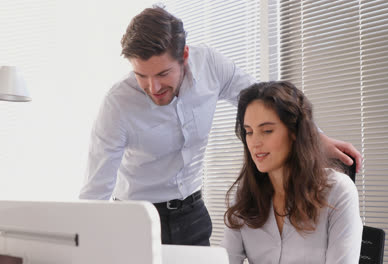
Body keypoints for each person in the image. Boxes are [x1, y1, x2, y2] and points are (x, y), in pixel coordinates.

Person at [79, 6, 362, 246]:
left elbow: (265, 100)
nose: (153, 87)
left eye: (163, 73)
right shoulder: (117, 105)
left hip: (192, 216)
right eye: (142, 75)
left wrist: (315, 137)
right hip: (136, 221)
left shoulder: (210, 66)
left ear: (185, 56)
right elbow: (95, 192)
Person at [221, 81, 363, 263]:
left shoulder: (339, 191)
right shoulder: (245, 195)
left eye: (267, 131)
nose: (255, 143)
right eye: (249, 132)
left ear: (294, 131)